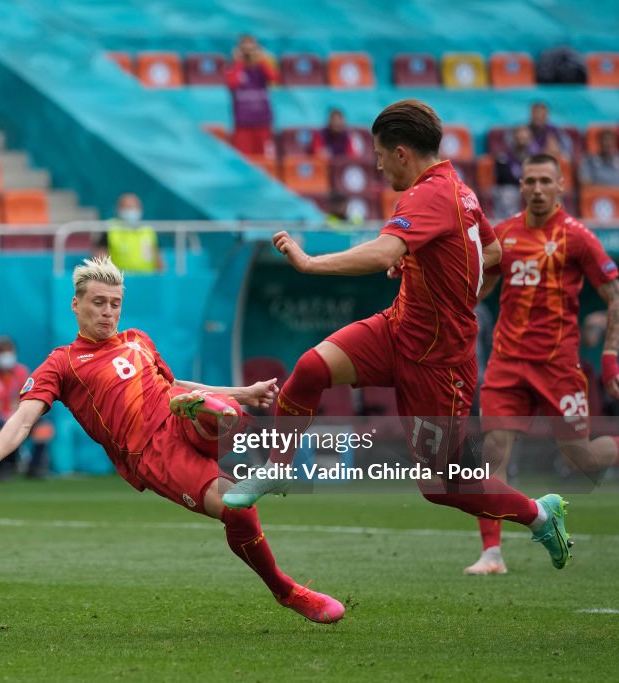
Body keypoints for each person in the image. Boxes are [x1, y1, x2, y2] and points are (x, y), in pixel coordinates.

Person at [222, 100, 574, 573]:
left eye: (380, 154)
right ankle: (277, 467)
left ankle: (539, 514)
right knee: (310, 369)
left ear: (403, 152)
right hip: (398, 328)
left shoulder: (428, 195)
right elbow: (491, 256)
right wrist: (430, 273)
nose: (378, 163)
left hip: (439, 363)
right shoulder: (461, 192)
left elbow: (387, 249)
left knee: (443, 486)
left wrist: (310, 264)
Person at [0, 255, 345, 623]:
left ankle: (244, 440)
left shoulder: (137, 340)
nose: (107, 312)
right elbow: (22, 419)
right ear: (76, 303)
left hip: (179, 415)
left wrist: (244, 392)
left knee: (212, 407)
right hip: (153, 453)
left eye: (114, 304)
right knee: (239, 509)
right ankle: (287, 591)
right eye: (98, 302)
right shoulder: (62, 362)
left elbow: (174, 384)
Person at [464, 153, 619, 575]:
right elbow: (479, 288)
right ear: (520, 187)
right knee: (494, 453)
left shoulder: (578, 238)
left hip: (558, 366)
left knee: (583, 457)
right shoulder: (504, 235)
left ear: (560, 186)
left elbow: (616, 298)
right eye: (529, 181)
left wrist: (609, 359)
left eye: (544, 181)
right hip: (506, 364)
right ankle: (492, 554)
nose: (536, 188)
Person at [0, 335, 53, 479]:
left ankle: (35, 468)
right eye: (1, 351)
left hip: (17, 415)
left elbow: (27, 397)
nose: (6, 355)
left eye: (9, 351)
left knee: (43, 427)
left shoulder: (21, 372)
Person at [225, 34, 278, 160]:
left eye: (251, 46)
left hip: (263, 124)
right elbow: (232, 83)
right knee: (243, 162)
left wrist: (260, 60)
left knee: (266, 162)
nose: (248, 50)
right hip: (243, 125)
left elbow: (274, 78)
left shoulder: (262, 67)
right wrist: (238, 62)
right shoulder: (233, 68)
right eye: (244, 46)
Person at [92, 193, 162, 274]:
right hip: (119, 281)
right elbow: (99, 259)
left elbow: (159, 261)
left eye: (134, 207)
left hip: (146, 281)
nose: (131, 211)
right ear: (119, 209)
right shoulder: (109, 229)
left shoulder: (148, 231)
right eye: (128, 207)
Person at [493, 125, 533, 218]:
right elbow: (503, 178)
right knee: (508, 193)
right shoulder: (503, 156)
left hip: (527, 187)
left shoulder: (532, 158)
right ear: (513, 138)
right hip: (510, 189)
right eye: (519, 138)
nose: (522, 141)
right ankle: (508, 222)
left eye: (525, 138)